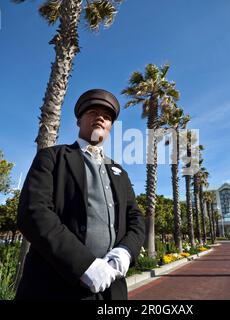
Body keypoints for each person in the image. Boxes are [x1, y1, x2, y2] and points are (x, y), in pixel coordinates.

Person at [15, 89, 145, 300]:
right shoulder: (52, 157)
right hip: (54, 287)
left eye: (107, 116)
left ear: (110, 126)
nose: (101, 117)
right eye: (93, 112)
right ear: (78, 121)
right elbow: (33, 212)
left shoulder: (120, 171)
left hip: (111, 290)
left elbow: (136, 218)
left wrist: (126, 251)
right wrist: (84, 264)